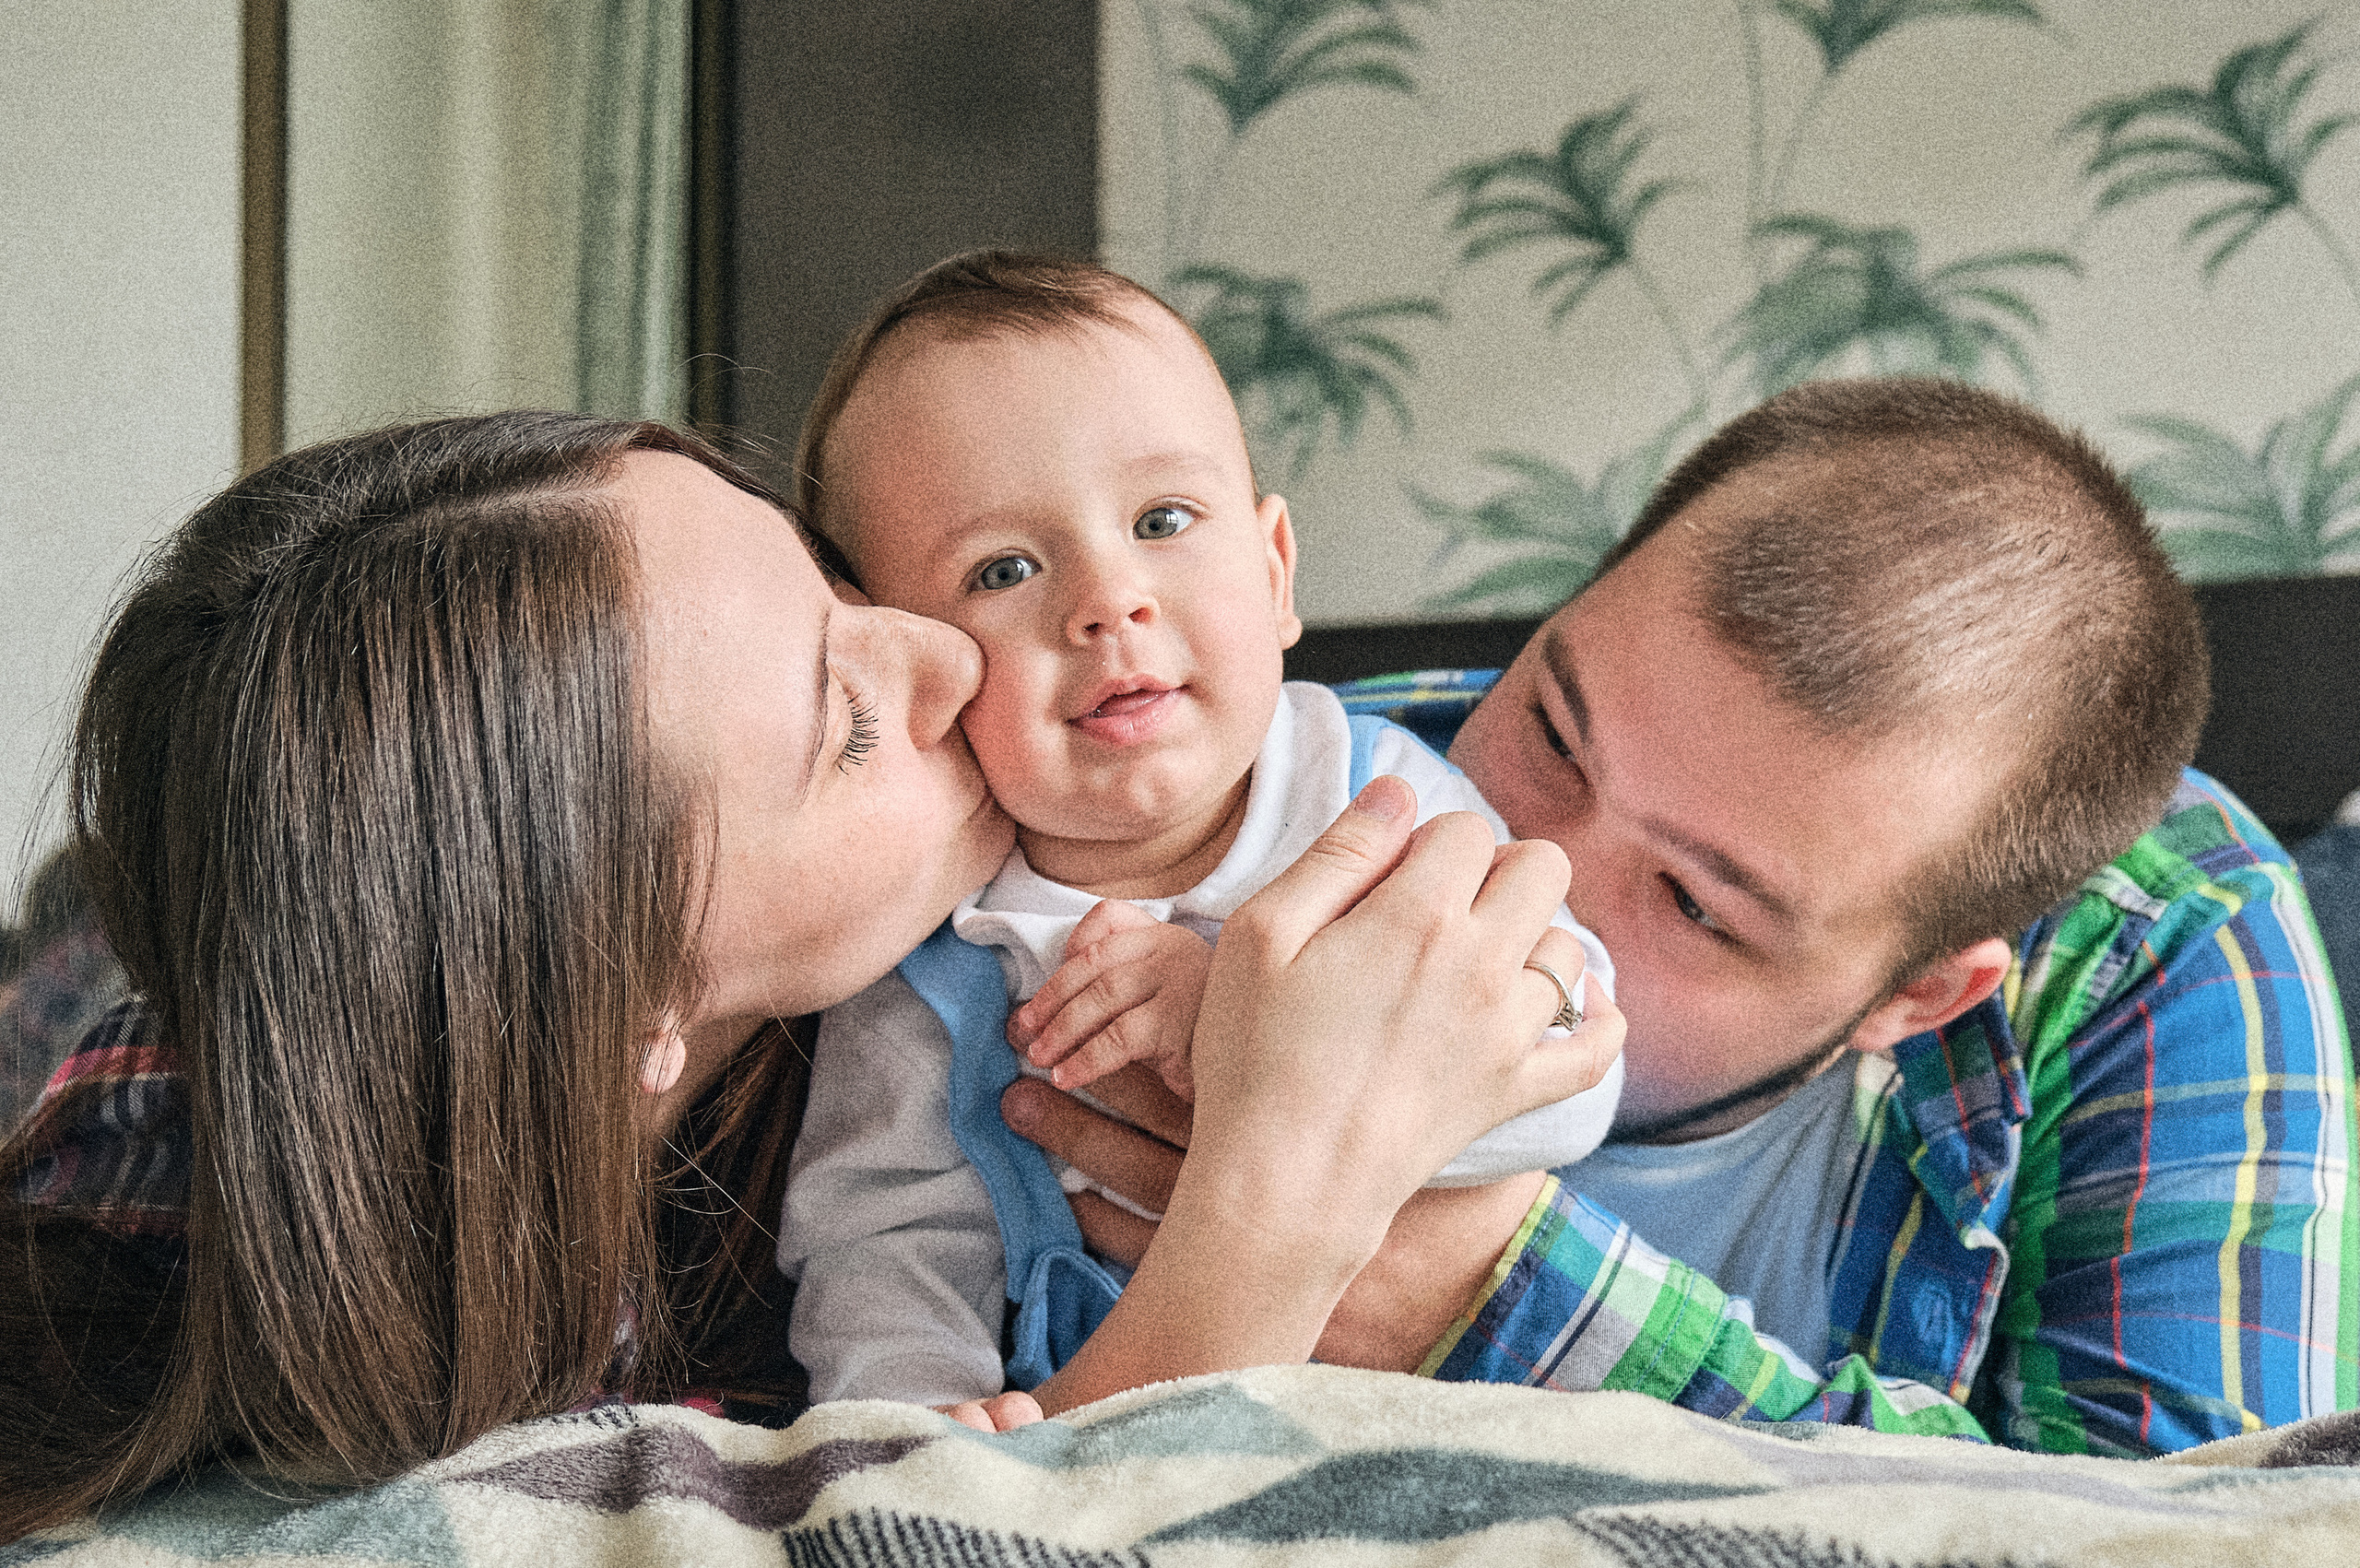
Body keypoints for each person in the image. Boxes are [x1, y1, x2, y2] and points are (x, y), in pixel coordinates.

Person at [0, 411, 1617, 1537]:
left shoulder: (1229, 768)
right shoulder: (161, 1214)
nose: (952, 654)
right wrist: (1275, 1211)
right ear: (623, 1012)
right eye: (846, 727)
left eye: (838, 582)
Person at [1012, 376, 2358, 1456]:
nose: (1526, 868)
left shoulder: (2163, 932)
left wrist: (1487, 1291)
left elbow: (2188, 1528)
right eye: (1553, 733)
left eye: (1695, 905)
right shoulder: (1229, 779)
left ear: (1918, 997)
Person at [771, 253, 1621, 1412]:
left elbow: (1574, 1074)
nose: (1109, 599)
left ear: (1274, 572)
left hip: (1414, 1389)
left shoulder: (1373, 805)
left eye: (1162, 519)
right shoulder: (929, 938)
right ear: (901, 659)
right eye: (1003, 568)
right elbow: (881, 1233)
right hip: (1085, 1408)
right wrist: (922, 1416)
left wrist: (1243, 1033)